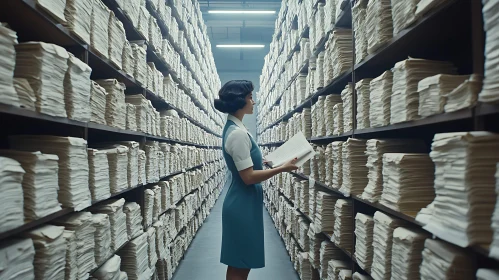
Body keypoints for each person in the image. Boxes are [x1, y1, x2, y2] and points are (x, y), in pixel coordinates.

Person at [214, 80, 299, 280]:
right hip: (241, 205)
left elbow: (246, 164)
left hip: (245, 203)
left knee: (241, 262)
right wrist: (281, 168)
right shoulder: (237, 134)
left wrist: (265, 160)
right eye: (250, 97)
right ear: (239, 101)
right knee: (240, 264)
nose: (254, 102)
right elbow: (249, 177)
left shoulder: (237, 128)